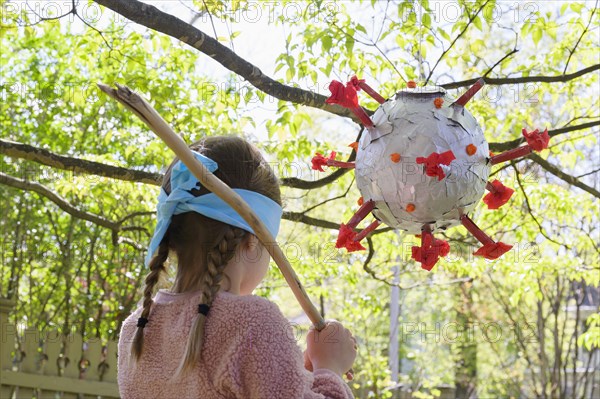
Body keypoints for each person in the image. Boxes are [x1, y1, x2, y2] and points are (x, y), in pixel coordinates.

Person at [117, 136, 357, 398]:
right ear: (252, 241)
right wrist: (330, 368)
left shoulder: (136, 329)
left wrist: (299, 373)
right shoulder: (254, 322)